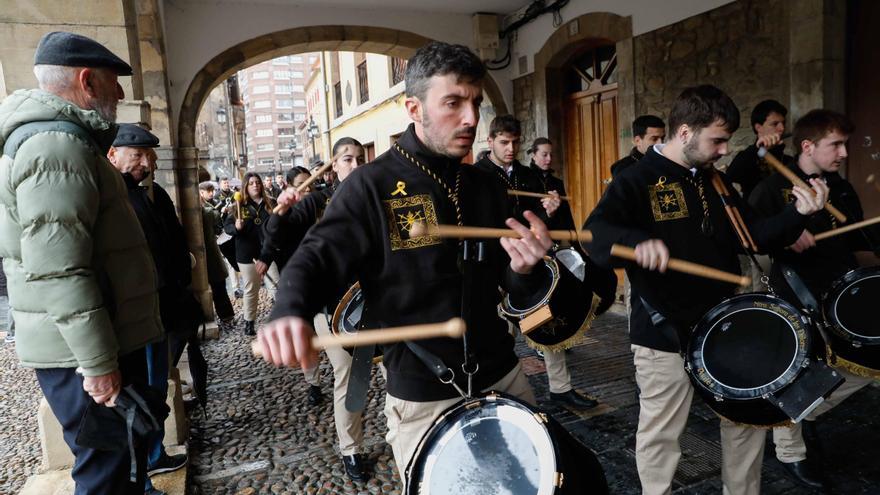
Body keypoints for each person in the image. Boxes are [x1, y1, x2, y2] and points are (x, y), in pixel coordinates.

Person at [257, 41, 551, 485]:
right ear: (414, 107)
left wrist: (524, 270)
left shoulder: (486, 187)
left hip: (503, 376)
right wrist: (289, 311)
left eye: (475, 102)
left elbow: (508, 286)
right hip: (423, 393)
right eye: (453, 102)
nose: (471, 118)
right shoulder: (371, 186)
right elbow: (318, 254)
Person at [585, 85, 829, 495]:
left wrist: (796, 214)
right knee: (662, 435)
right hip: (664, 333)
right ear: (684, 133)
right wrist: (632, 242)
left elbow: (752, 235)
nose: (722, 150)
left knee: (746, 422)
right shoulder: (636, 179)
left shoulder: (717, 183)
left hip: (724, 326)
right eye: (716, 140)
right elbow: (594, 235)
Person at [0, 31, 164, 493]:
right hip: (84, 352)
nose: (121, 94)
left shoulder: (61, 140)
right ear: (88, 80)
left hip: (89, 343)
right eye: (114, 82)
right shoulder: (55, 145)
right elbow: (59, 266)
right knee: (105, 474)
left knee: (118, 465)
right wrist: (96, 362)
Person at [749, 109, 879, 491]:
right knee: (800, 372)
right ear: (808, 146)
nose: (843, 152)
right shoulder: (772, 189)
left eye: (844, 144)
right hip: (795, 292)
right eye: (835, 144)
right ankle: (791, 451)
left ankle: (805, 414)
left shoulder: (840, 187)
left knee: (861, 362)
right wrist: (785, 234)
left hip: (838, 294)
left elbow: (854, 238)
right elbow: (752, 241)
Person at [263, 138, 371, 479]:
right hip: (332, 308)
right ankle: (351, 449)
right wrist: (280, 209)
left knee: (390, 371)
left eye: (359, 158)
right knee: (349, 376)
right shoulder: (316, 202)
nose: (354, 165)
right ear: (334, 166)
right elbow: (278, 233)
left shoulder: (374, 197)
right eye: (347, 159)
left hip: (375, 303)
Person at [477, 123, 601, 411]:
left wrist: (549, 210)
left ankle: (561, 388)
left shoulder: (528, 175)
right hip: (496, 266)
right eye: (504, 142)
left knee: (546, 321)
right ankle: (497, 392)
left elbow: (542, 223)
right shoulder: (476, 176)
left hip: (533, 266)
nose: (511, 149)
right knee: (501, 332)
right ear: (491, 140)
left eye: (515, 143)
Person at [107, 124, 192, 490]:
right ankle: (140, 480)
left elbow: (172, 240)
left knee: (155, 391)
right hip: (131, 319)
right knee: (136, 399)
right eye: (137, 155)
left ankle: (155, 455)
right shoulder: (109, 197)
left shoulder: (153, 193)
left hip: (161, 309)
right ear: (113, 155)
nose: (146, 162)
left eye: (149, 155)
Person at [224, 172, 279, 336]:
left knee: (276, 285)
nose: (255, 185)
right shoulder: (237, 206)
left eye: (258, 182)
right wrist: (236, 228)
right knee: (251, 289)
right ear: (245, 187)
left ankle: (280, 321)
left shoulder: (271, 204)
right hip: (246, 254)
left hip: (267, 253)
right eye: (251, 183)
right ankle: (249, 323)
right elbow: (227, 228)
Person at [727, 99, 793, 199]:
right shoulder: (748, 156)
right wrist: (759, 150)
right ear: (758, 127)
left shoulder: (788, 160)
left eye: (783, 123)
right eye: (775, 124)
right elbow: (732, 175)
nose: (782, 128)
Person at [199, 181, 235, 323]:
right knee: (217, 284)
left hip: (211, 251)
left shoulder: (210, 204)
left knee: (219, 285)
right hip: (207, 251)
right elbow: (212, 216)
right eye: (208, 191)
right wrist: (219, 212)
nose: (211, 193)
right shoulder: (206, 208)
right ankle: (222, 315)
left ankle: (226, 315)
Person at [214, 176, 243, 299]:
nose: (226, 184)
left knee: (236, 259)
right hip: (222, 232)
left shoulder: (234, 194)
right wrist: (222, 210)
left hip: (234, 228)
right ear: (220, 184)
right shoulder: (216, 197)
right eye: (224, 183)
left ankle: (241, 285)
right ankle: (235, 287)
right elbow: (215, 213)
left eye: (227, 183)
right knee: (229, 261)